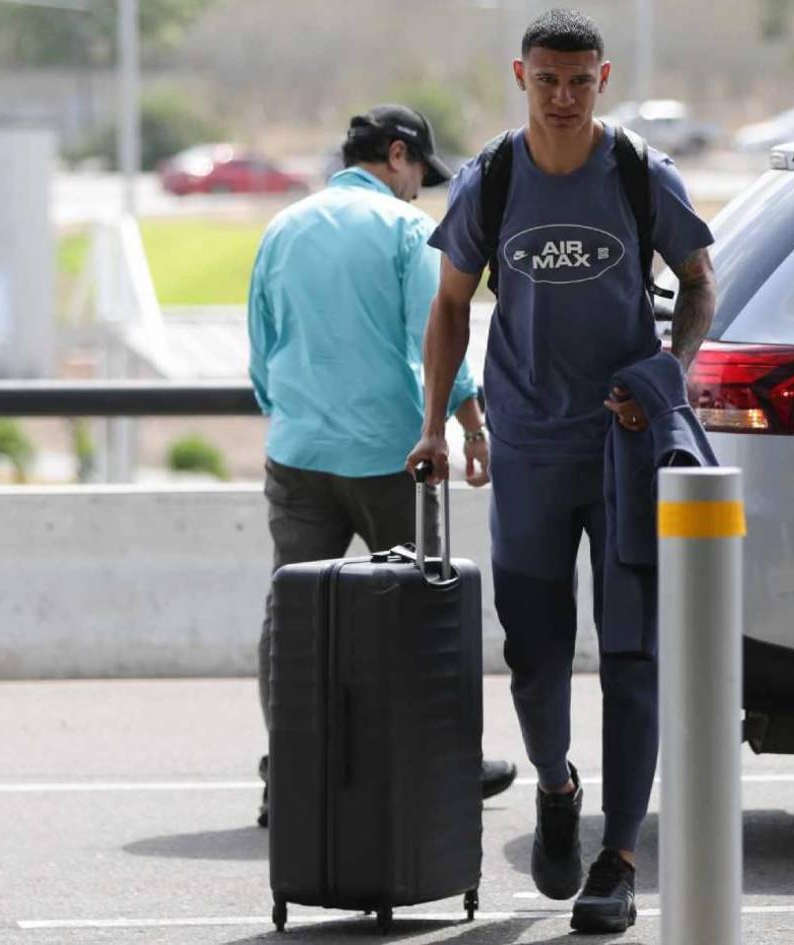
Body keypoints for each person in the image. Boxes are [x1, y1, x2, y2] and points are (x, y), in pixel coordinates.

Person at [407, 9, 717, 934]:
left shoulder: (637, 173)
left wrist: (665, 374)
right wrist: (435, 424)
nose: (565, 96)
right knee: (536, 657)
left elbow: (700, 281)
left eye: (581, 80)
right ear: (521, 76)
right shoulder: (492, 180)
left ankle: (618, 858)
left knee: (631, 655)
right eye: (548, 79)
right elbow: (452, 305)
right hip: (531, 452)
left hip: (623, 453)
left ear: (604, 78)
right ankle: (555, 782)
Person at [247, 104, 517, 829]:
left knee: (293, 616)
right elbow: (437, 332)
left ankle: (289, 774)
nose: (418, 191)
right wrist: (468, 424)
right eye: (417, 176)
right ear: (397, 155)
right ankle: (445, 764)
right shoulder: (404, 232)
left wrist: (297, 414)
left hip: (297, 452)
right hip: (388, 453)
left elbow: (260, 347)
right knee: (419, 611)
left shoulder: (283, 227)